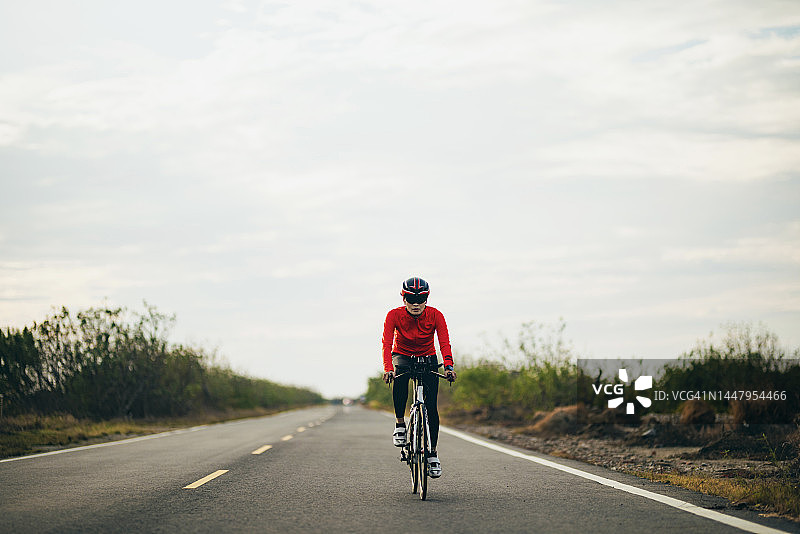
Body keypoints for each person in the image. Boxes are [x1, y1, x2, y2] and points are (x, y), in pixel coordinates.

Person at [382, 277, 456, 478]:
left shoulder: (436, 315)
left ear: (426, 299)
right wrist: (388, 368)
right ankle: (400, 424)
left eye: (421, 299)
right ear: (403, 298)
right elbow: (387, 344)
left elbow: (444, 342)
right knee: (399, 375)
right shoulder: (393, 315)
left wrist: (449, 366)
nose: (416, 304)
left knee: (431, 407)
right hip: (402, 354)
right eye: (411, 299)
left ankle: (432, 454)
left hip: (428, 356)